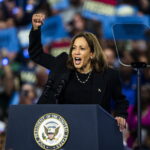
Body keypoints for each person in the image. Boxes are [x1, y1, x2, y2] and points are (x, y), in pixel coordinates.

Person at [28, 13, 129, 131]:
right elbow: (37, 55)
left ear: (92, 54)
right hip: (62, 129)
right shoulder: (62, 65)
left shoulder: (108, 75)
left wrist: (120, 115)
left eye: (82, 49)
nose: (76, 52)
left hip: (93, 129)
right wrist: (35, 28)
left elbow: (121, 101)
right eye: (74, 48)